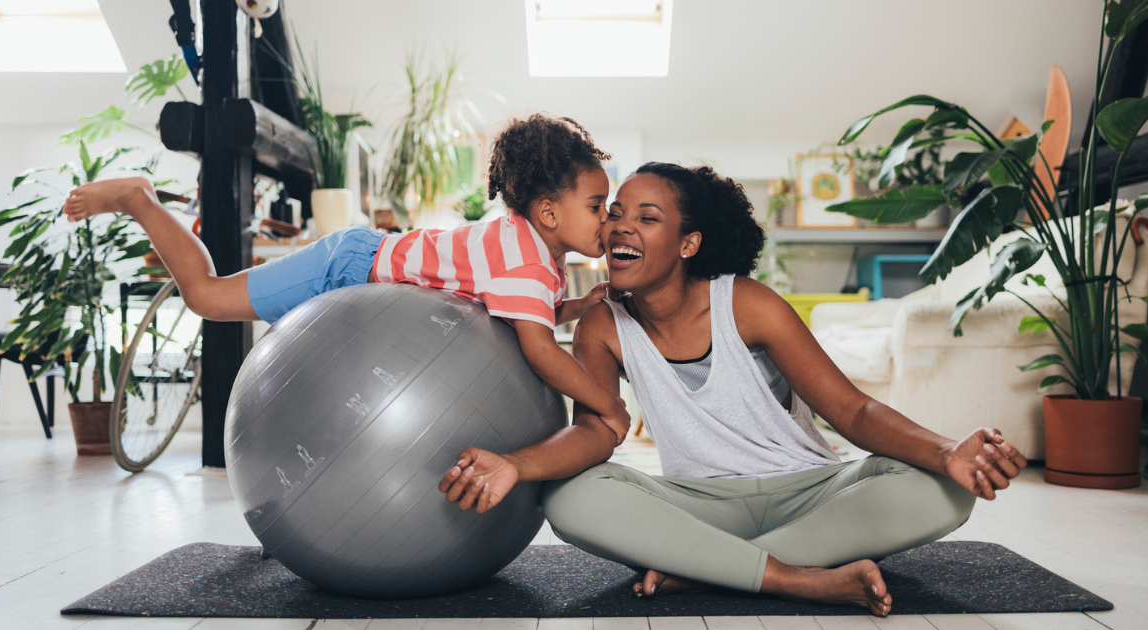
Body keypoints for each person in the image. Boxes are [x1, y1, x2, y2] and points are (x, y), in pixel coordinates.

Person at [438, 161, 1029, 617]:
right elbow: (597, 432)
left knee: (947, 491)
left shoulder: (745, 302)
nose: (621, 225)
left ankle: (706, 570)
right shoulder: (601, 325)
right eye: (615, 212)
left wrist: (950, 452)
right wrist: (516, 465)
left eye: (647, 218)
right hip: (699, 504)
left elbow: (852, 409)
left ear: (688, 244)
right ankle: (792, 576)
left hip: (812, 491)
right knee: (568, 497)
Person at [62, 113, 630, 437]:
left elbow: (523, 316)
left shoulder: (528, 246)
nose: (609, 219)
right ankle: (141, 200)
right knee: (207, 297)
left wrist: (575, 309)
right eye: (598, 206)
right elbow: (538, 350)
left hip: (361, 264)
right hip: (346, 267)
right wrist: (606, 403)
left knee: (214, 295)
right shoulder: (525, 260)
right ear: (549, 212)